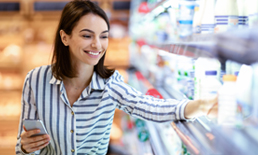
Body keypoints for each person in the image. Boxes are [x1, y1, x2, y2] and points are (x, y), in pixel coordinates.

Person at [15, 0, 217, 154]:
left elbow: (150, 106)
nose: (97, 45)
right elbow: (21, 147)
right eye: (87, 36)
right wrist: (25, 147)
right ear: (64, 37)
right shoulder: (36, 80)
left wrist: (199, 106)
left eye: (103, 36)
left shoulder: (110, 85)